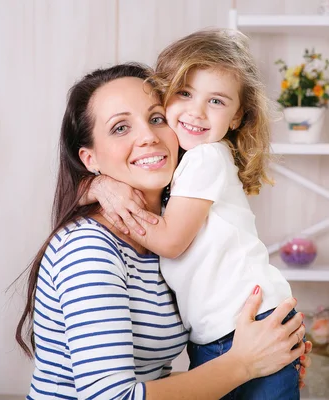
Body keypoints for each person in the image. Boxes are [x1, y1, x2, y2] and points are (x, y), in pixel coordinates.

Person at [15, 63, 310, 400]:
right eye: (121, 128)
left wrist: (271, 358)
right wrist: (243, 364)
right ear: (89, 158)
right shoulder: (89, 249)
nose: (148, 136)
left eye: (156, 118)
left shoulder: (171, 237)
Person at [87, 29, 305, 399]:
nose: (196, 111)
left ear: (237, 117)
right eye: (184, 93)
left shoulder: (206, 157)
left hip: (244, 325)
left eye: (216, 101)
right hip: (226, 330)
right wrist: (96, 185)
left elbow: (170, 242)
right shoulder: (184, 168)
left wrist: (113, 200)